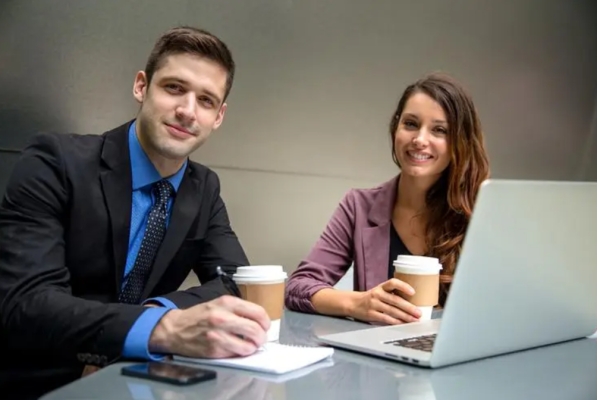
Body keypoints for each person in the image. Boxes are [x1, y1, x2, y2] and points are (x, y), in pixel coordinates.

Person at [0, 26, 270, 398]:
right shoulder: (55, 163)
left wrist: (152, 316)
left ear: (219, 116)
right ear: (141, 87)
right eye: (174, 87)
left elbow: (235, 282)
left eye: (206, 100)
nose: (187, 111)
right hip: (42, 379)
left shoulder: (203, 188)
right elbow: (26, 304)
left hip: (137, 381)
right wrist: (162, 328)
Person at [285, 73, 490, 325]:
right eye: (411, 124)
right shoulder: (358, 207)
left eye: (439, 130)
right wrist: (357, 303)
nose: (419, 140)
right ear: (396, 128)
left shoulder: (483, 213)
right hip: (379, 357)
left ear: (460, 142)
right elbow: (298, 287)